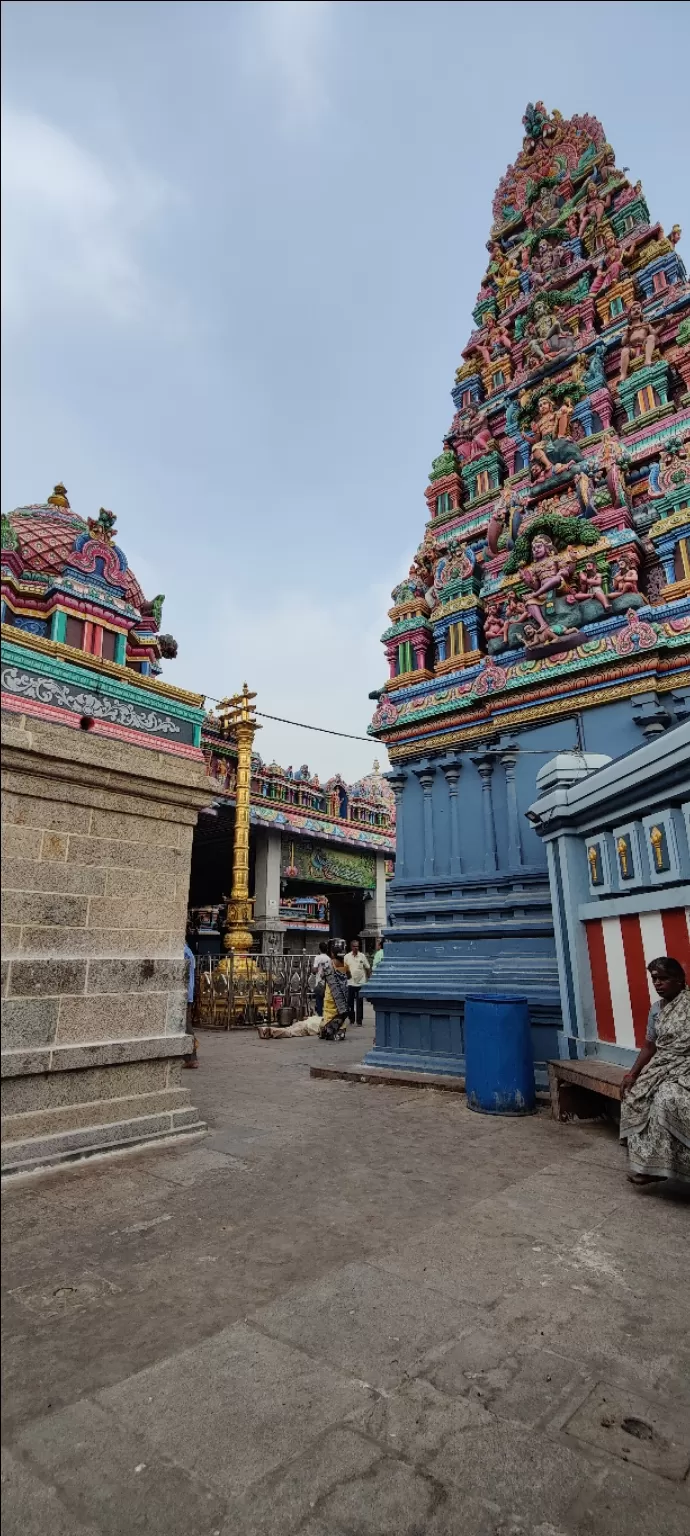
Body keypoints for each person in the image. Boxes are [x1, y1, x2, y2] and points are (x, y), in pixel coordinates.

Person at [620, 956, 690, 1186]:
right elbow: (650, 1045)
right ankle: (650, 1164)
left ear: (680, 980)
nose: (658, 983)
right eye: (654, 979)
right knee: (635, 1095)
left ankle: (666, 1167)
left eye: (664, 978)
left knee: (667, 1099)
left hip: (686, 1069)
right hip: (662, 1067)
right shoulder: (656, 1010)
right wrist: (632, 1074)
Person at [344, 938, 371, 1027]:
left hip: (361, 983)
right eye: (354, 946)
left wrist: (369, 979)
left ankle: (359, 1021)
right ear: (351, 947)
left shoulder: (362, 956)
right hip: (351, 982)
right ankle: (351, 1019)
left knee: (360, 1002)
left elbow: (367, 967)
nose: (356, 948)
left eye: (357, 946)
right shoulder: (347, 957)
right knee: (350, 1002)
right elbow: (344, 968)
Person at [182, 933, 199, 1068]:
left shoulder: (183, 951)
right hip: (188, 992)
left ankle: (191, 1057)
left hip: (184, 993)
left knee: (185, 1025)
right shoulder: (188, 951)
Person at [311, 941, 330, 1017]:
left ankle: (320, 1017)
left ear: (319, 949)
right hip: (327, 983)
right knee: (326, 1001)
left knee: (319, 1001)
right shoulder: (329, 959)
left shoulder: (317, 958)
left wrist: (312, 968)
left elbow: (315, 970)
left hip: (319, 983)